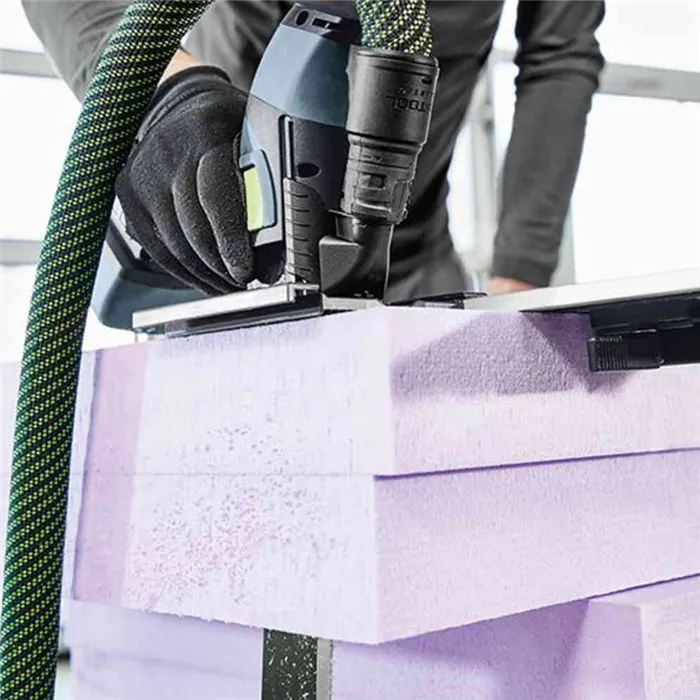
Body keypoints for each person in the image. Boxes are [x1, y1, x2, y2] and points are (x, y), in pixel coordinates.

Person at [23, 0, 605, 299]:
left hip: (408, 260)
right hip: (224, 236)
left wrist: (519, 278)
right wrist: (166, 93)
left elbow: (559, 55)